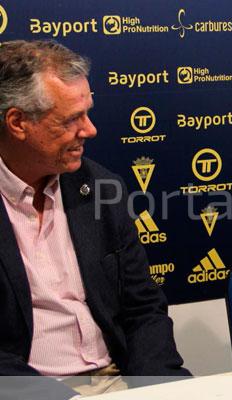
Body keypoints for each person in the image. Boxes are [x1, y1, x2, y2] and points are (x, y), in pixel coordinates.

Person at [0, 40, 191, 399]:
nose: (90, 130)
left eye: (87, 112)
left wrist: (159, 389)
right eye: (71, 119)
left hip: (118, 380)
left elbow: (143, 307)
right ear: (18, 122)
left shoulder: (101, 187)